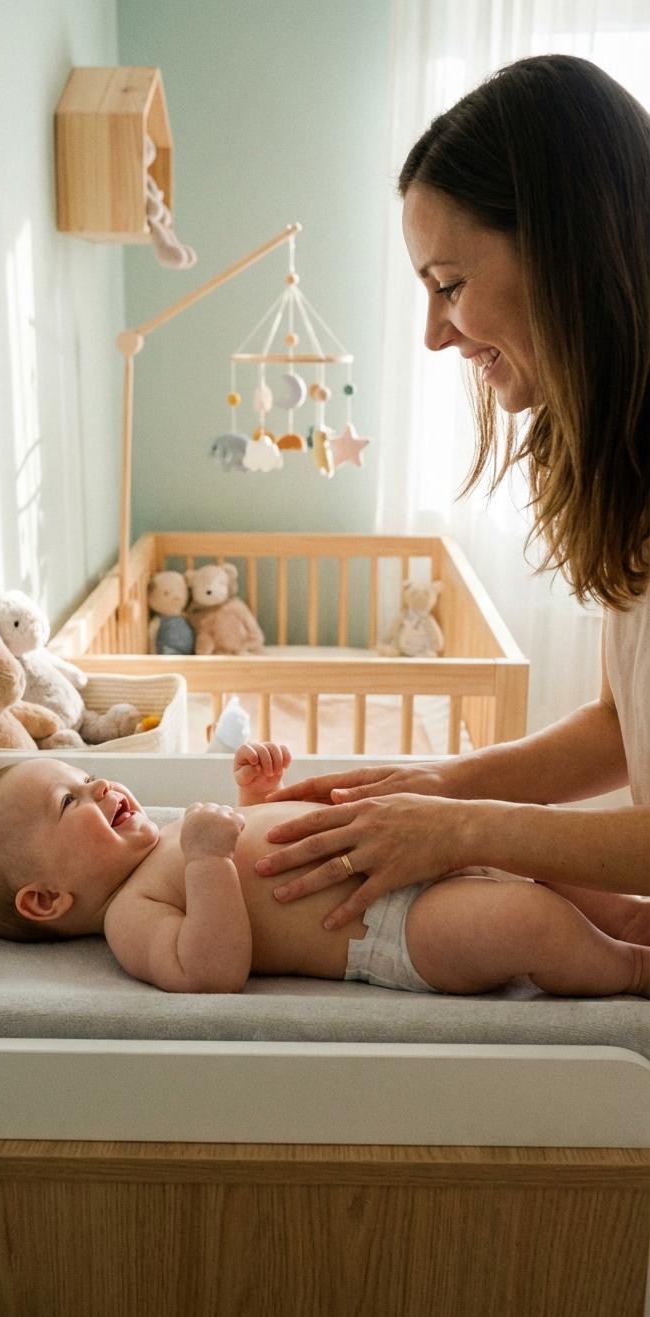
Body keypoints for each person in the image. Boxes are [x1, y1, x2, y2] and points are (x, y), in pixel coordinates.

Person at [251, 54, 650, 947]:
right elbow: (624, 729)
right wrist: (443, 786)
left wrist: (465, 831)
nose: (435, 334)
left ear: (565, 249)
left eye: (451, 285)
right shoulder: (626, 469)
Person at [0, 750, 650, 998]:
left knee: (527, 843)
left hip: (409, 853)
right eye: (70, 801)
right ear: (45, 898)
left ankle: (626, 916)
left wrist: (258, 798)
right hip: (391, 929)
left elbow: (269, 850)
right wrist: (209, 859)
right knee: (526, 922)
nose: (98, 789)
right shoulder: (133, 913)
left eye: (89, 776)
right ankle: (624, 968)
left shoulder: (171, 839)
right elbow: (211, 970)